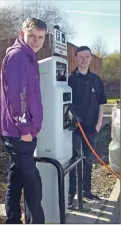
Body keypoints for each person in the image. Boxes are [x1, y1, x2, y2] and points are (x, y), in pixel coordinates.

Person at [0, 18, 47, 224]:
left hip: (23, 132)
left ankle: (12, 220)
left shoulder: (29, 57)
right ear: (22, 34)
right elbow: (16, 98)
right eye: (32, 36)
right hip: (19, 134)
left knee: (16, 179)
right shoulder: (18, 56)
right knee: (33, 183)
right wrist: (26, 129)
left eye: (40, 37)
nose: (36, 41)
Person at [68, 46, 107, 208]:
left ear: (90, 58)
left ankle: (87, 192)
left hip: (92, 128)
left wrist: (98, 125)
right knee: (73, 161)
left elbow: (101, 104)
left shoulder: (96, 80)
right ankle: (71, 195)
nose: (84, 59)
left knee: (88, 160)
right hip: (74, 128)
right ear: (76, 58)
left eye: (87, 57)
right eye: (81, 57)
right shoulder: (70, 79)